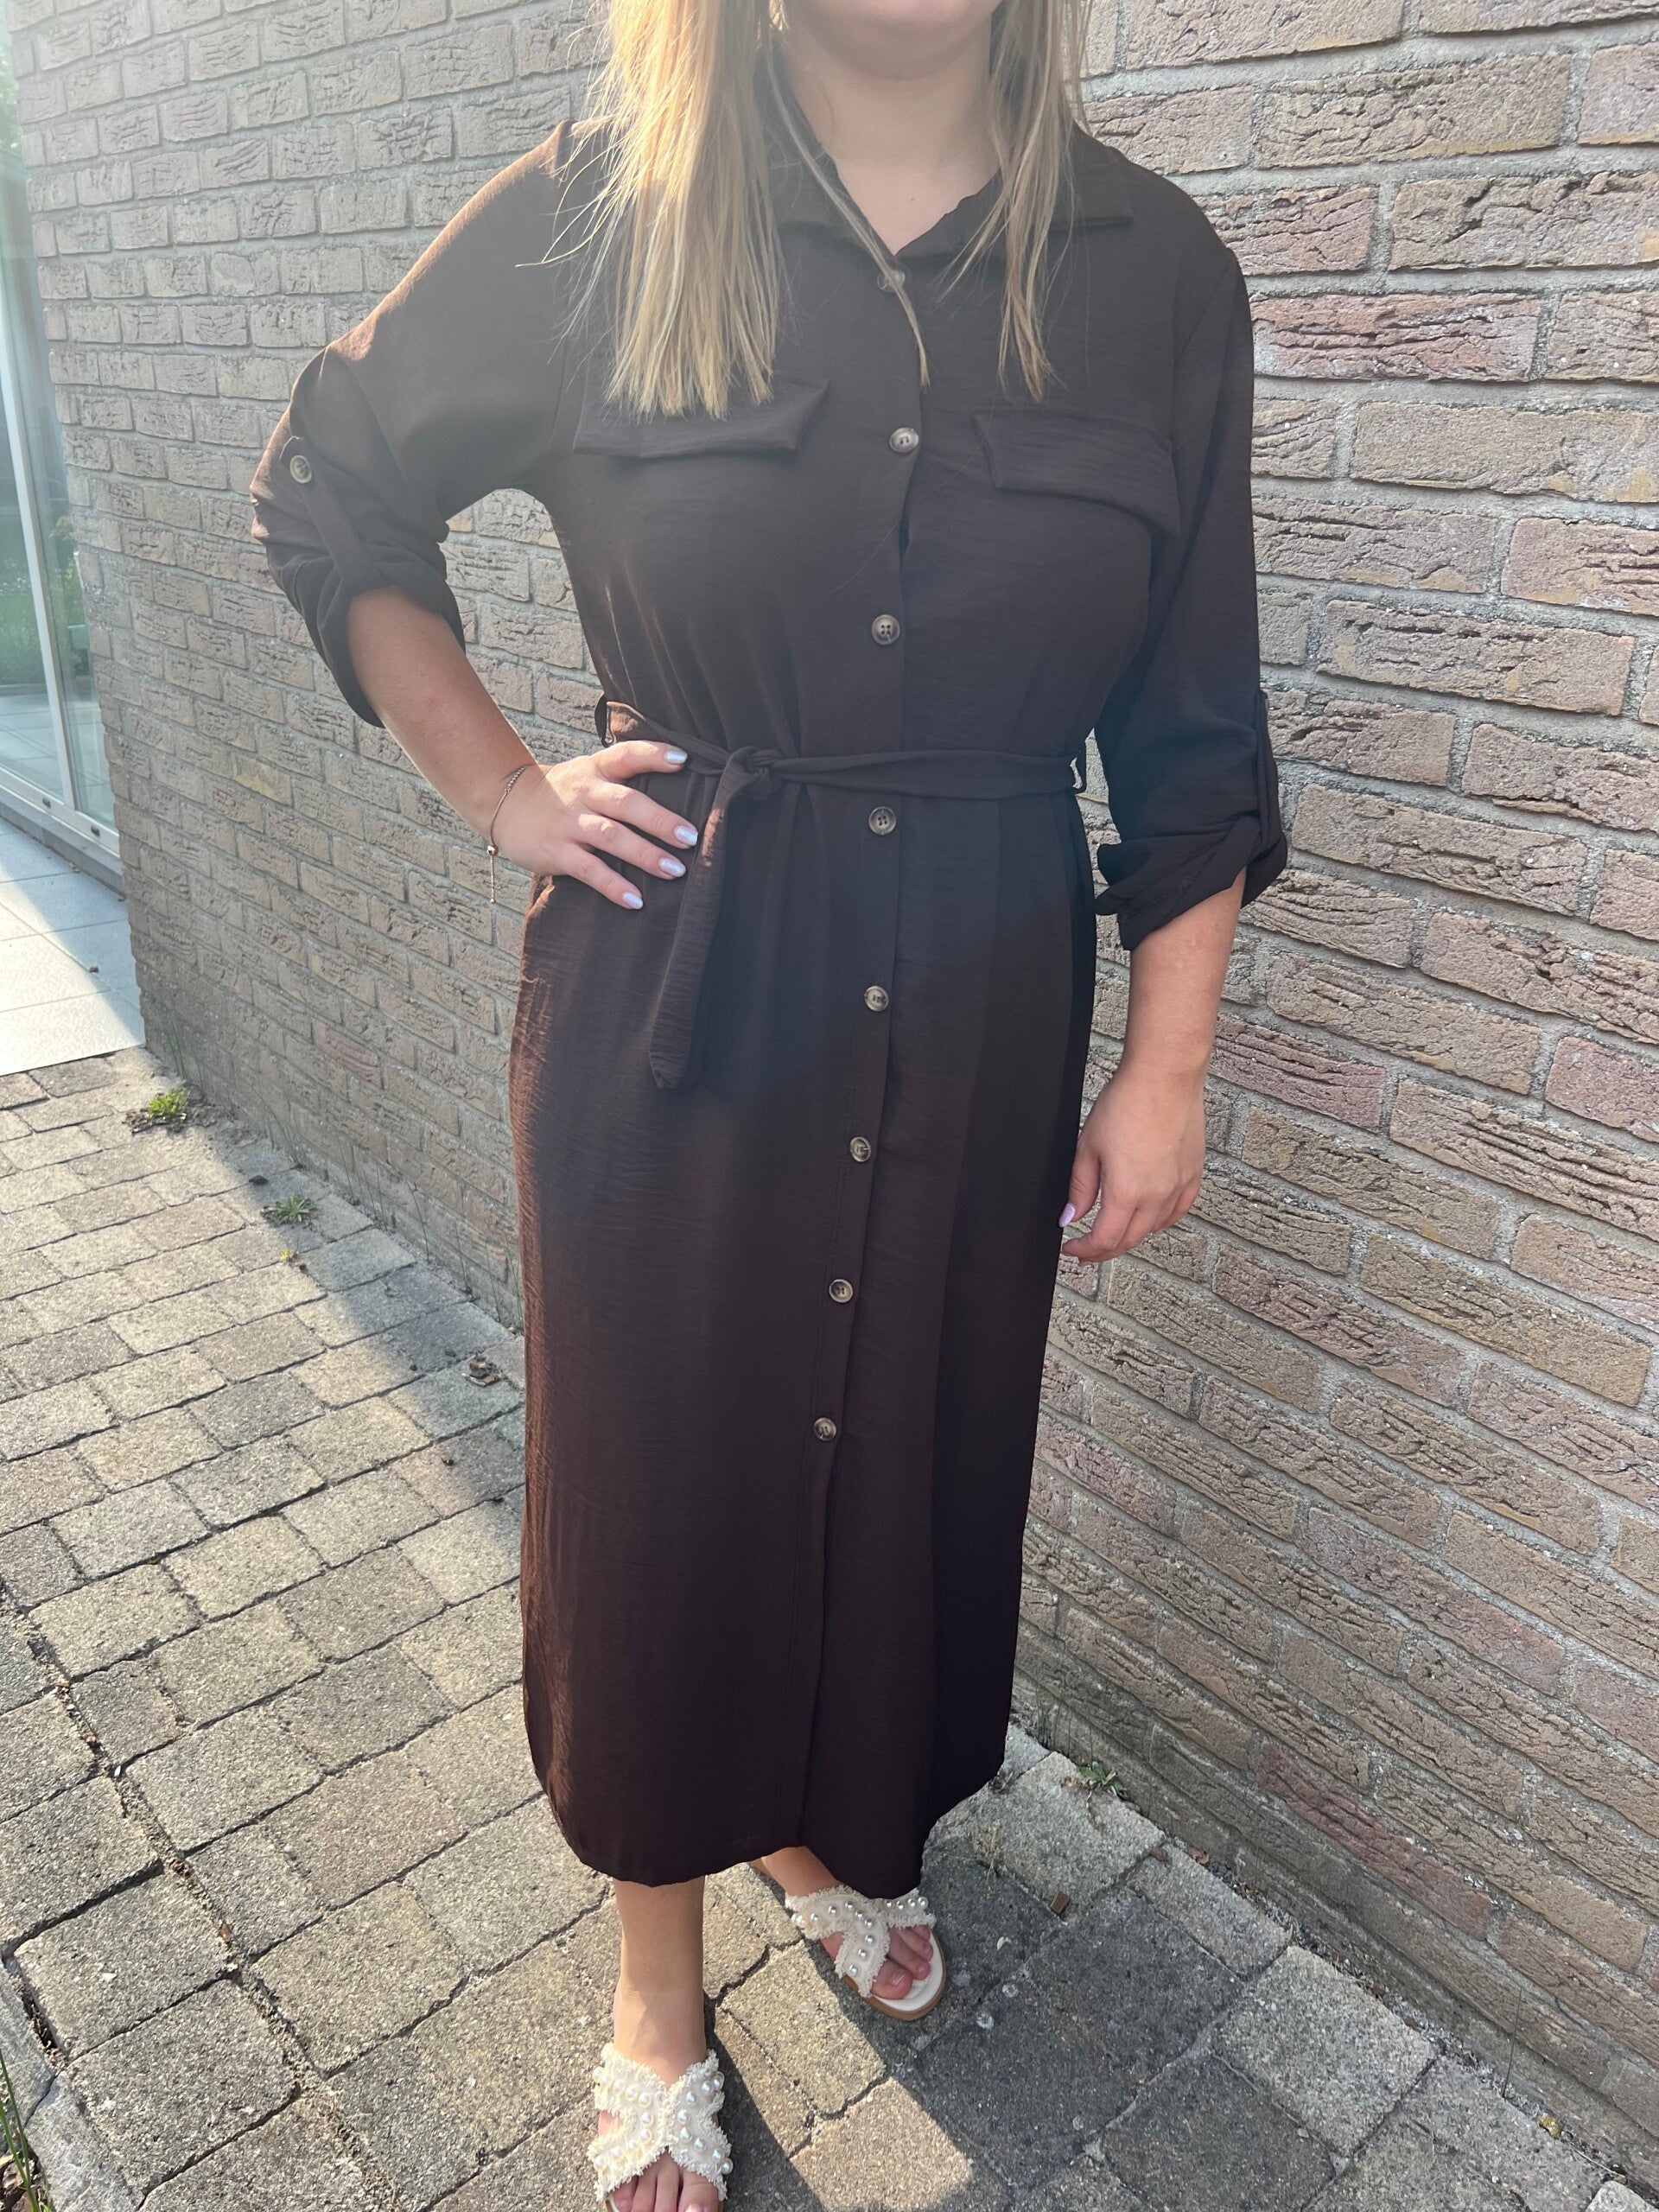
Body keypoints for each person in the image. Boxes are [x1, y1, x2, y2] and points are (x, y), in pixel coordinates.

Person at [249, 0, 1287, 2199]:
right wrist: (504, 787)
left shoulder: (1156, 274)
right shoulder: (601, 222)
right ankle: (656, 1974)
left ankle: (824, 1822)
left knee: (903, 1455)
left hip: (985, 1004)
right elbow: (331, 481)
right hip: (685, 996)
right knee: (665, 1491)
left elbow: (1195, 721)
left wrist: (1167, 1059)